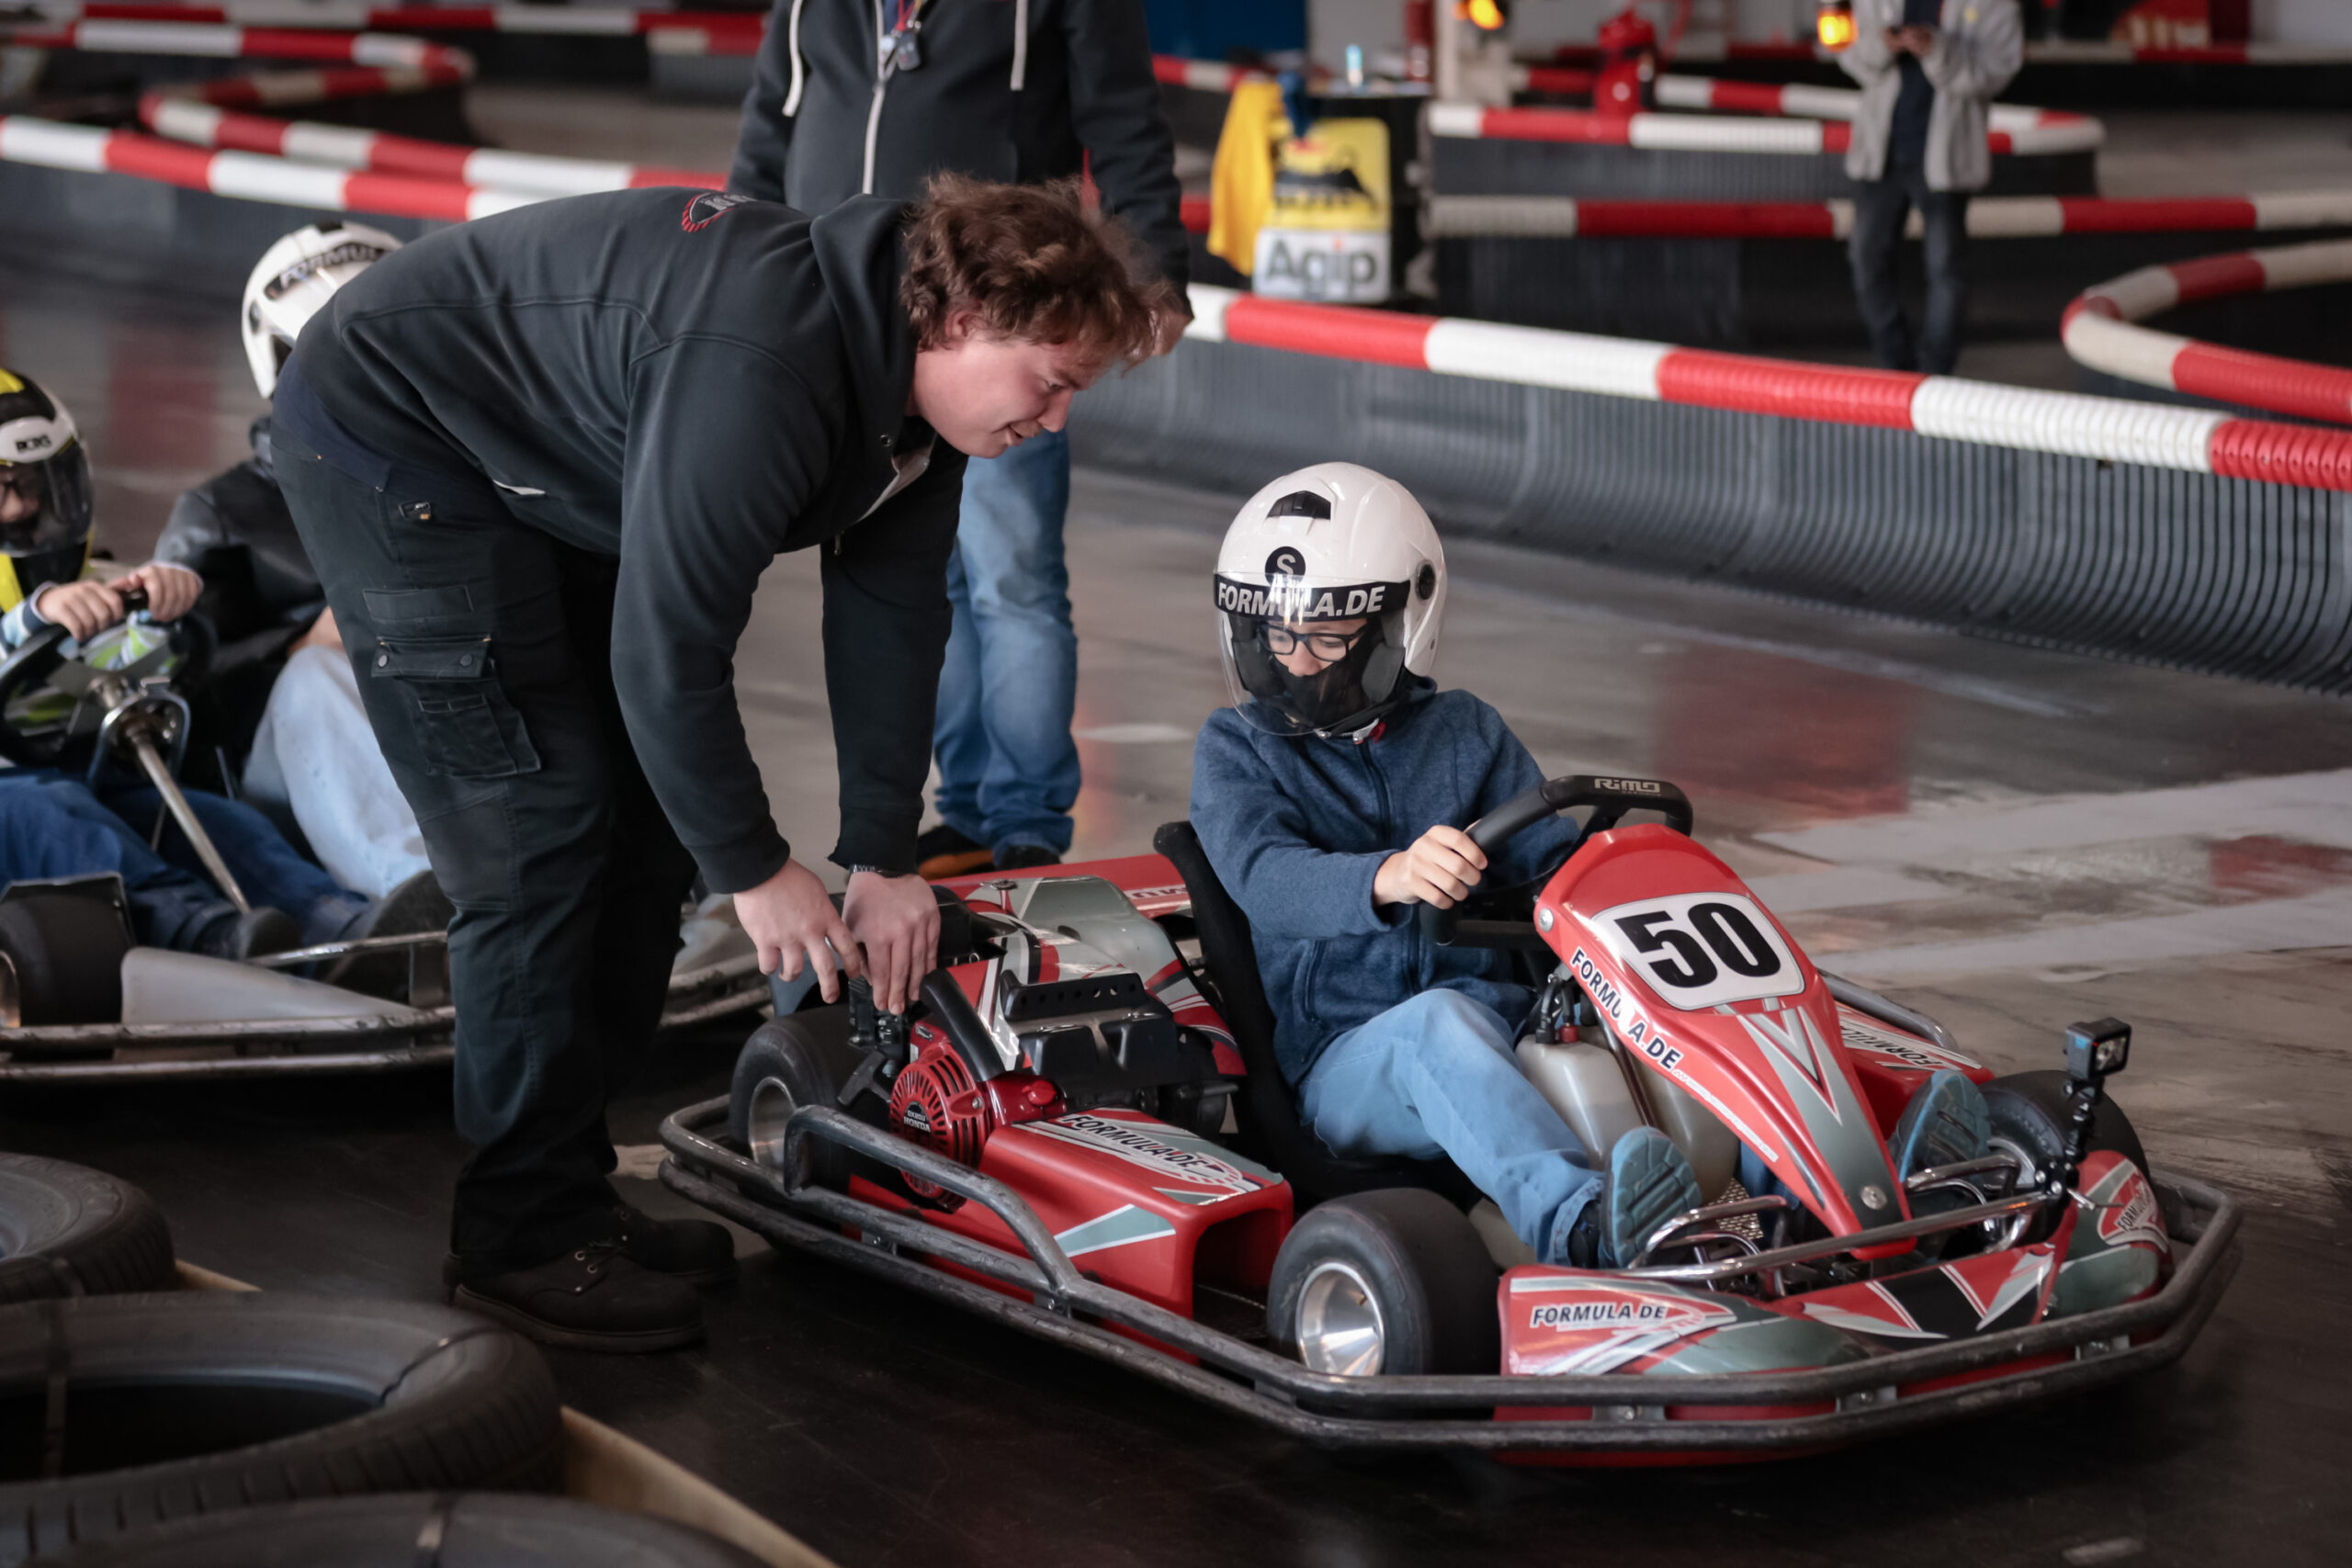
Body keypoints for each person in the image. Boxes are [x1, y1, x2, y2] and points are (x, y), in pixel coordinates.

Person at [271, 175, 1169, 1350]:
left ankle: (566, 1191)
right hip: (395, 438)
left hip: (540, 465)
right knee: (534, 838)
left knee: (650, 831)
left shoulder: (916, 407)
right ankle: (517, 1236)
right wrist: (755, 867)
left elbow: (893, 619)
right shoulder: (765, 369)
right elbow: (667, 651)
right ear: (960, 322)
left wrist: (880, 856)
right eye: (1049, 383)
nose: (1053, 421)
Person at [1189, 463, 1996, 1266]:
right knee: (1438, 1025)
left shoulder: (1466, 731)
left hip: (1504, 1019)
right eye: (1279, 635)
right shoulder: (1237, 750)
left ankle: (1828, 1194)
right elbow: (1265, 876)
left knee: (1657, 1004)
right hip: (1348, 1059)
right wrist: (1387, 876)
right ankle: (1586, 1226)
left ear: (1398, 623)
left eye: (1328, 636)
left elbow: (1553, 866)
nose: (1298, 661)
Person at [730, 0, 1191, 879]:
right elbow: (771, 119)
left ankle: (1025, 821)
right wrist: (739, 258)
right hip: (849, 322)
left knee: (1013, 580)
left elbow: (1123, 112)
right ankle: (970, 810)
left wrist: (1156, 266)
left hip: (999, 331)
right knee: (919, 577)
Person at [0, 368, 439, 965]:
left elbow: (144, 683)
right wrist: (26, 622)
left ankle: (340, 933)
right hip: (23, 806)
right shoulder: (44, 611)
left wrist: (159, 617)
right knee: (51, 815)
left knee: (218, 821)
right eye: (2, 488)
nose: (25, 506)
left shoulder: (94, 588)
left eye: (35, 484)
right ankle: (205, 933)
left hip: (96, 783)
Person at [158, 221, 432, 901]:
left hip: (454, 722)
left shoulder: (482, 477)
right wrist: (302, 645)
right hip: (293, 769)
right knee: (316, 676)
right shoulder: (222, 513)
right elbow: (175, 694)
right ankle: (427, 897)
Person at [1839, 0, 2023, 375]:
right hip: (1881, 153)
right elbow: (1849, 54)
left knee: (1946, 268)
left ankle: (1934, 376)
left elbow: (1999, 68)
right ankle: (1897, 368)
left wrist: (1938, 49)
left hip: (1947, 157)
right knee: (1866, 258)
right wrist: (1882, 45)